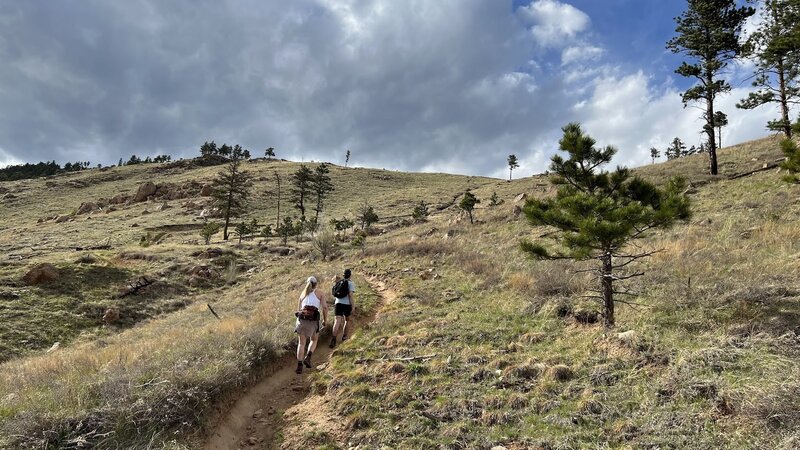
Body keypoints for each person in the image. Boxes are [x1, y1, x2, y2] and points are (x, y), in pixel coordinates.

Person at [295, 276, 328, 374]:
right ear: (316, 284)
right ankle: (308, 357)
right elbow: (325, 308)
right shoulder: (320, 293)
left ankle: (299, 366)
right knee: (314, 339)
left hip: (301, 320)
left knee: (301, 343)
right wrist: (325, 320)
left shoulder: (302, 294)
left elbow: (299, 310)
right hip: (313, 321)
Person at [330, 268, 355, 348]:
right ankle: (344, 337)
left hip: (338, 303)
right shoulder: (351, 283)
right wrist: (353, 306)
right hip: (346, 304)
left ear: (343, 275)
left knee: (337, 321)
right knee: (346, 320)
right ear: (350, 275)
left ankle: (333, 339)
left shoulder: (339, 282)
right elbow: (350, 295)